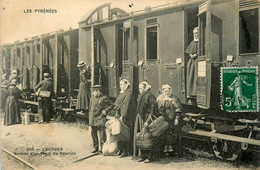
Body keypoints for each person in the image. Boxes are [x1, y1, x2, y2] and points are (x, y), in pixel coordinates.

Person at [134, 81, 158, 163]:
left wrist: (147, 121)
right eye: (139, 88)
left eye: (141, 88)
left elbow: (152, 109)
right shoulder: (141, 95)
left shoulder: (150, 96)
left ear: (145, 88)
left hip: (147, 119)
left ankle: (149, 157)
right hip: (141, 118)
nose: (139, 90)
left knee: (148, 137)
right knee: (141, 137)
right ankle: (143, 156)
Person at [156, 84, 183, 157]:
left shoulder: (174, 98)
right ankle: (163, 151)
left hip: (172, 119)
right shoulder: (159, 98)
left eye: (168, 91)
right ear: (163, 91)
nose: (167, 93)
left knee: (172, 134)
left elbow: (178, 109)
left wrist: (177, 118)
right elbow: (157, 108)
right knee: (163, 134)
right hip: (163, 119)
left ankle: (173, 151)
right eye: (165, 91)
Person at [112, 79, 136, 157]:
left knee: (125, 134)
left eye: (122, 84)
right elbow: (116, 104)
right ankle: (120, 149)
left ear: (126, 85)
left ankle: (125, 151)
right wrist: (114, 112)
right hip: (119, 116)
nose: (120, 86)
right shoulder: (121, 94)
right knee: (119, 133)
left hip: (126, 117)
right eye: (120, 84)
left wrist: (123, 116)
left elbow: (126, 106)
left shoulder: (128, 94)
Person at [89, 85, 114, 153]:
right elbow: (90, 108)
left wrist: (106, 111)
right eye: (93, 91)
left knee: (102, 134)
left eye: (95, 91)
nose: (94, 93)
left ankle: (102, 148)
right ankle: (96, 147)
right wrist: (90, 116)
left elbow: (111, 105)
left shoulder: (104, 98)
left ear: (99, 91)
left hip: (100, 118)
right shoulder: (92, 98)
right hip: (93, 118)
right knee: (93, 133)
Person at [185, 27, 199, 103]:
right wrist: (191, 55)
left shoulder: (201, 42)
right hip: (192, 63)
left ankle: (196, 94)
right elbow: (189, 52)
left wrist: (196, 55)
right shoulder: (192, 42)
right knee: (191, 77)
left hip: (198, 61)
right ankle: (191, 94)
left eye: (197, 34)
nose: (195, 35)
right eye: (194, 34)